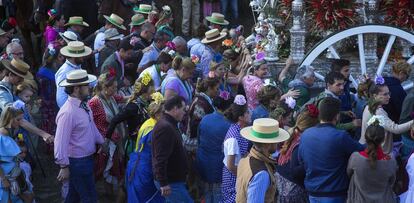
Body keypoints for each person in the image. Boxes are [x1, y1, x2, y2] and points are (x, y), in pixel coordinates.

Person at [298, 97, 364, 203]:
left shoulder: (306, 134)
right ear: (337, 116)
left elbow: (301, 160)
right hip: (334, 193)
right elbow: (361, 150)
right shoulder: (340, 136)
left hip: (313, 192)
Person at [54, 69, 104, 202]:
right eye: (86, 85)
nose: (90, 87)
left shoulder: (84, 105)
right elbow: (60, 142)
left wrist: (100, 141)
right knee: (89, 197)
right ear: (76, 89)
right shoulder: (68, 113)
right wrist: (63, 166)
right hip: (78, 162)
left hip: (85, 160)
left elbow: (91, 126)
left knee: (74, 197)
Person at [88, 72, 127, 195]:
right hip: (104, 143)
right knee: (107, 170)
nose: (116, 90)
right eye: (113, 87)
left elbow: (124, 99)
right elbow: (92, 124)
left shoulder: (111, 97)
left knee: (114, 169)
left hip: (115, 140)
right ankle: (109, 196)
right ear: (104, 88)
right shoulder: (94, 103)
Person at [236, 118, 290, 202]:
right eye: (276, 141)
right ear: (268, 144)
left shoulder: (245, 160)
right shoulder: (262, 174)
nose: (278, 143)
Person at [0, 59, 54, 143]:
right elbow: (17, 117)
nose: (22, 81)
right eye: (20, 78)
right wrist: (43, 134)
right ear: (10, 75)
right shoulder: (3, 93)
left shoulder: (11, 88)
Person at [152, 95, 193, 202]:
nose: (185, 113)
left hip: (174, 180)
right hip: (171, 182)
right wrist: (164, 183)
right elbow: (160, 158)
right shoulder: (165, 127)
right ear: (175, 109)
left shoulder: (170, 124)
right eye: (183, 109)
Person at [347, 116, 398, 203]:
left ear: (365, 137)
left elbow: (349, 174)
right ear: (383, 139)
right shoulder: (390, 161)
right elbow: (392, 182)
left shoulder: (355, 158)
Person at [126, 92, 165, 203]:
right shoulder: (155, 130)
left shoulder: (148, 123)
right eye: (164, 112)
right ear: (157, 114)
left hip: (137, 165)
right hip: (145, 170)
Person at [276, 104, 319, 203]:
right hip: (293, 191)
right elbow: (295, 172)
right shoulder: (301, 144)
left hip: (281, 186)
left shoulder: (293, 134)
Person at [360, 78, 413, 155]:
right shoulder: (378, 112)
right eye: (385, 94)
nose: (389, 97)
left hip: (368, 147)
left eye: (389, 93)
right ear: (375, 96)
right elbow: (395, 129)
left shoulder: (368, 106)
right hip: (379, 153)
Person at [106, 74, 155, 156]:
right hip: (137, 147)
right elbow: (115, 120)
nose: (154, 91)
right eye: (152, 88)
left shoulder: (148, 103)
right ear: (146, 91)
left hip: (148, 143)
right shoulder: (133, 106)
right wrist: (107, 140)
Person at [196, 95, 232, 203]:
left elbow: (198, 140)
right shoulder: (228, 125)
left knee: (207, 192)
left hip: (203, 161)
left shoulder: (205, 118)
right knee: (218, 194)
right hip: (218, 164)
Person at [0, 101, 35, 203]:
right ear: (10, 119)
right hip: (6, 178)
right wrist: (3, 179)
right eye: (18, 119)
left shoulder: (8, 133)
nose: (20, 122)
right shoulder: (1, 136)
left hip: (15, 174)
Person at [222, 95, 251, 203]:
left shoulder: (241, 129)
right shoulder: (233, 138)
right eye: (247, 112)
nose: (250, 114)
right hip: (233, 176)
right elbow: (230, 165)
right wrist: (242, 177)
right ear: (241, 117)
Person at [55, 41, 92, 108]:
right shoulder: (64, 72)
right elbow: (61, 98)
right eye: (81, 55)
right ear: (74, 56)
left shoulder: (77, 66)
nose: (83, 57)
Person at [37, 44, 64, 135]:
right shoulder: (45, 74)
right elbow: (47, 93)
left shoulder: (48, 70)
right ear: (55, 58)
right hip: (50, 106)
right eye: (61, 56)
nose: (63, 59)